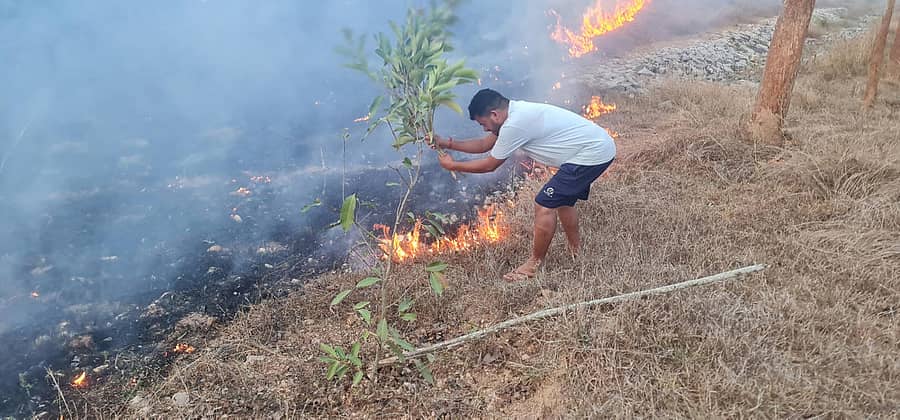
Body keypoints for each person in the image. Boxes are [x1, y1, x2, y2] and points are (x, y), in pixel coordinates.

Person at [431, 88, 616, 281]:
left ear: (494, 114)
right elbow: (484, 145)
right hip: (595, 147)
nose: (484, 129)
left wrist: (453, 165)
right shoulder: (514, 113)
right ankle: (576, 251)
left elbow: (490, 165)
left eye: (483, 123)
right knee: (562, 201)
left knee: (544, 204)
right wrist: (446, 143)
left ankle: (533, 265)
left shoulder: (514, 125)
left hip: (591, 154)